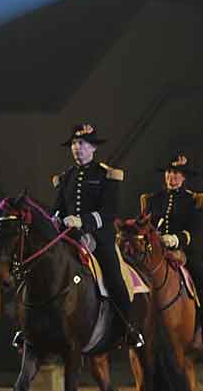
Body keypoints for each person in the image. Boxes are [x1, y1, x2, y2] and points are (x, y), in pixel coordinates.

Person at [53, 123, 142, 351]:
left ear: (93, 147)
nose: (76, 148)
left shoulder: (106, 175)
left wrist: (84, 221)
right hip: (70, 239)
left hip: (98, 239)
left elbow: (109, 211)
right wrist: (56, 219)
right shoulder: (66, 178)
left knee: (114, 279)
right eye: (73, 144)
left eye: (81, 143)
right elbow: (59, 209)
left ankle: (127, 328)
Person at [140, 154, 203, 343]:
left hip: (183, 252)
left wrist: (177, 239)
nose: (171, 177)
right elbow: (143, 224)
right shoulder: (153, 199)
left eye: (176, 173)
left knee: (200, 275)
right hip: (154, 252)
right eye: (168, 172)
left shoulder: (193, 200)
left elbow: (199, 230)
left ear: (184, 178)